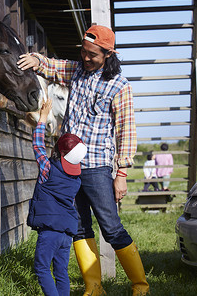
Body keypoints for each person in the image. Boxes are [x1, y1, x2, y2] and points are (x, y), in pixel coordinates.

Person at [18, 25, 149, 295]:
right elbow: (54, 66)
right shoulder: (77, 70)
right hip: (67, 169)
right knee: (78, 226)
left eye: (92, 55)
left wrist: (121, 173)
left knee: (111, 228)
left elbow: (127, 130)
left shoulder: (119, 86)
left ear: (108, 54)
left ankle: (140, 284)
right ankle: (94, 286)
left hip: (97, 168)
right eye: (83, 52)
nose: (85, 58)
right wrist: (37, 60)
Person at [27, 99, 87, 296]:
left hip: (50, 231)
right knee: (61, 271)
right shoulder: (76, 179)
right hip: (67, 233)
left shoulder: (48, 169)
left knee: (42, 269)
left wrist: (42, 117)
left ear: (58, 152)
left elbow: (38, 146)